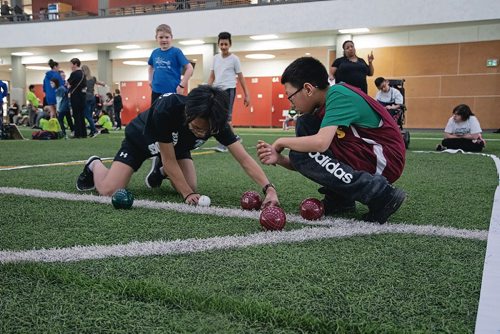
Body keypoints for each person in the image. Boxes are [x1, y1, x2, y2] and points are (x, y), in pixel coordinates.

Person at [76, 85, 280, 208]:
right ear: (188, 113)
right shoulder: (168, 109)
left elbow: (243, 158)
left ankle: (160, 172)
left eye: (205, 131)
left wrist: (268, 188)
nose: (201, 133)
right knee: (109, 190)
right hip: (140, 140)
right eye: (197, 128)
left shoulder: (217, 124)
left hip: (176, 145)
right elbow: (169, 158)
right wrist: (187, 195)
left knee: (190, 184)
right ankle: (94, 165)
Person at [257, 57, 406, 224]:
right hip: (367, 152)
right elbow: (315, 162)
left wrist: (280, 142)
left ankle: (380, 194)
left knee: (303, 143)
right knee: (305, 124)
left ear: (308, 89)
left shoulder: (338, 94)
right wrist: (280, 159)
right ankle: (341, 198)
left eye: (291, 97)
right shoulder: (323, 107)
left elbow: (320, 145)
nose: (292, 104)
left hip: (386, 159)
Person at [207, 31, 250, 152]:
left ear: (230, 44)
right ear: (218, 44)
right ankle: (234, 137)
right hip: (217, 90)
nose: (224, 47)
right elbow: (212, 76)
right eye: (221, 44)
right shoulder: (215, 58)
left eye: (226, 44)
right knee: (217, 116)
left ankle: (225, 144)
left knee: (226, 118)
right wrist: (206, 90)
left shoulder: (234, 59)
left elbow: (241, 77)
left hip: (229, 89)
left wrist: (247, 94)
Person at [148, 24, 193, 104]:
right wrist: (150, 80)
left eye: (167, 37)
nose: (164, 40)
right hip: (156, 91)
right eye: (161, 37)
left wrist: (182, 85)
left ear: (171, 37)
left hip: (172, 91)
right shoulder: (155, 53)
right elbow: (150, 66)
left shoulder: (176, 52)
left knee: (171, 115)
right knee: (155, 115)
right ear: (156, 39)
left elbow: (190, 68)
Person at [81, 65, 105, 137]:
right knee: (90, 115)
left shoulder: (83, 79)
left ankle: (94, 130)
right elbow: (101, 83)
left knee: (87, 115)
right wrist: (103, 84)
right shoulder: (93, 78)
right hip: (92, 98)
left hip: (86, 98)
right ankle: (92, 131)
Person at [67, 58, 87, 138]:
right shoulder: (83, 74)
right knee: (81, 115)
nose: (70, 66)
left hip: (75, 96)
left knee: (76, 115)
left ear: (75, 64)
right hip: (82, 97)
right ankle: (83, 133)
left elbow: (68, 83)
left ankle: (78, 133)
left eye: (71, 64)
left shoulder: (74, 73)